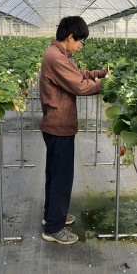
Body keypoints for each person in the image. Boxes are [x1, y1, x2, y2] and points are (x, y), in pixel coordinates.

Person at [39, 16, 108, 244]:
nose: (81, 46)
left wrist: (98, 75)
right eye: (81, 41)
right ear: (70, 37)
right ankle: (54, 229)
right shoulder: (55, 58)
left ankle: (52, 216)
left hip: (58, 124)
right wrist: (104, 85)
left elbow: (78, 75)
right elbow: (78, 85)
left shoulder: (59, 55)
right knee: (61, 178)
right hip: (59, 126)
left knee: (54, 175)